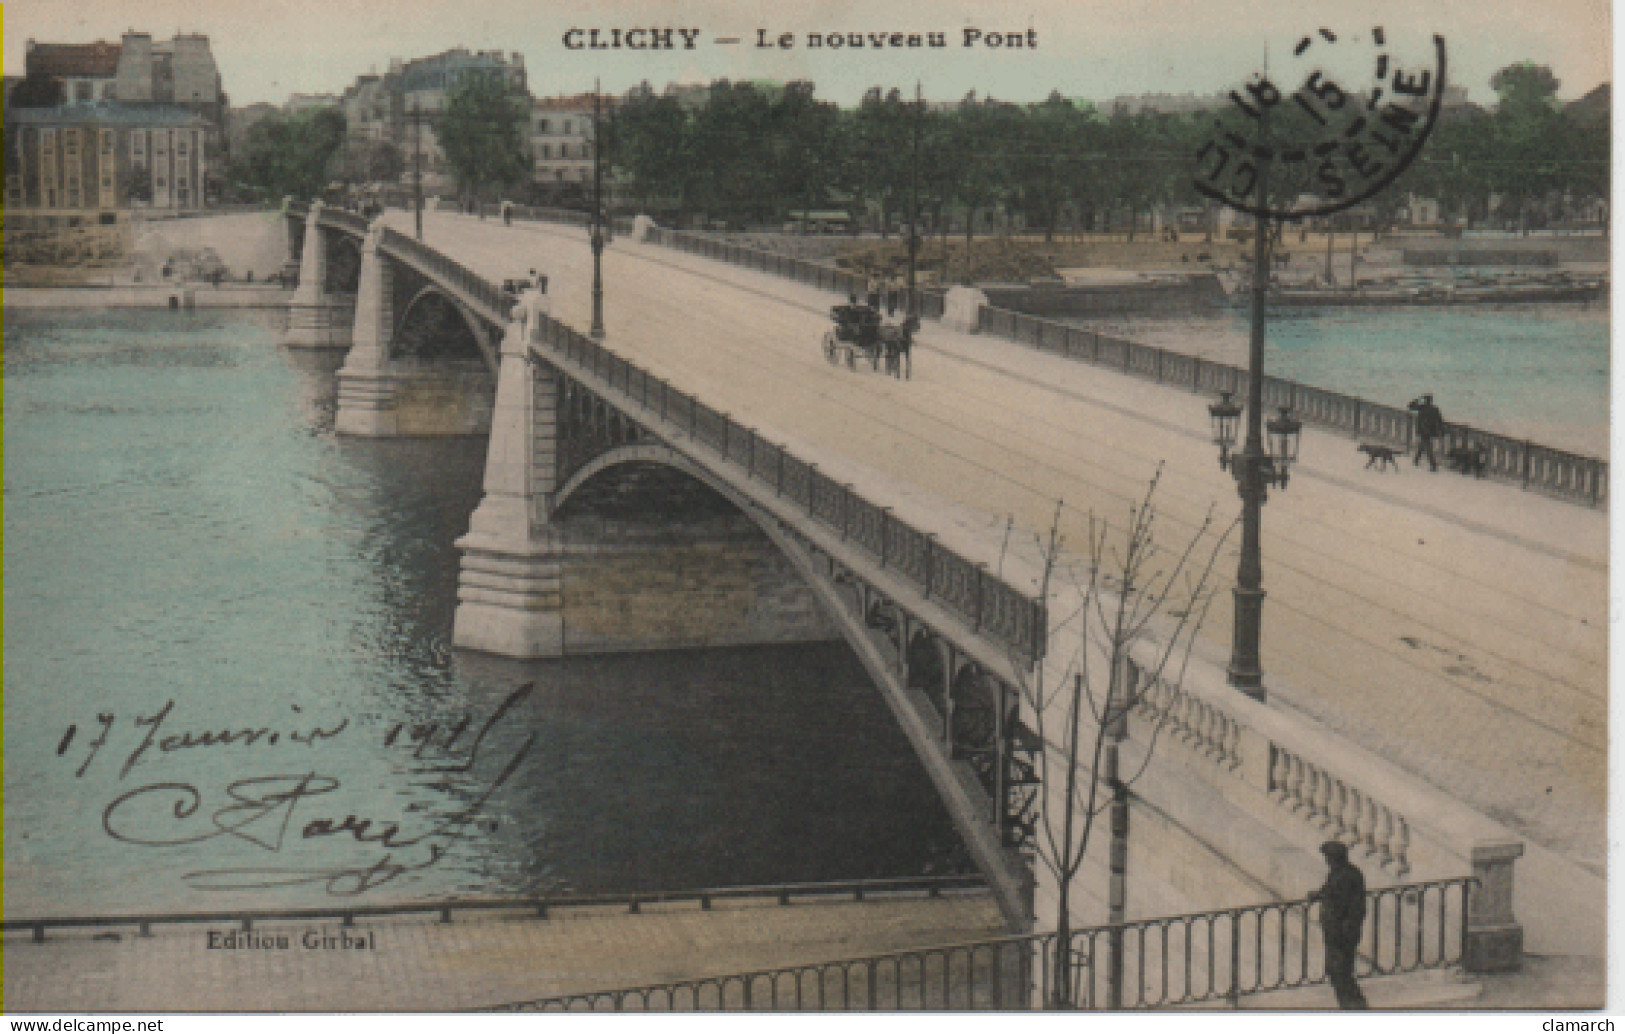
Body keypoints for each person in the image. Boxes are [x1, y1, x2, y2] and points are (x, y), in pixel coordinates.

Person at [1310, 840, 1368, 1009]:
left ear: (1336, 858)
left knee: (1341, 971)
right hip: (1333, 930)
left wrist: (1346, 930)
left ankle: (1354, 1007)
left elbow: (1355, 907)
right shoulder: (1337, 872)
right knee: (1336, 971)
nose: (1327, 861)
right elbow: (1329, 889)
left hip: (1342, 933)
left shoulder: (1349, 875)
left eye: (1329, 857)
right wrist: (1318, 894)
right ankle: (1350, 1005)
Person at [1407, 394, 1444, 472]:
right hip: (1431, 431)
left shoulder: (1422, 407)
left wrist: (1417, 399)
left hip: (1423, 430)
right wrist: (1440, 431)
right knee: (1424, 445)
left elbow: (1410, 406)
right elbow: (1439, 421)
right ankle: (1417, 460)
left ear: (1425, 400)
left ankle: (1433, 465)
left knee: (1427, 447)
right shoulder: (1435, 409)